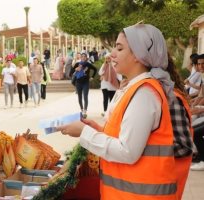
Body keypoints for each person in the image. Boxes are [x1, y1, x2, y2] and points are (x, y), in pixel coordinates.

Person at [57, 24, 178, 199]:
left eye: (119, 48)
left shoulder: (143, 93)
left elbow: (127, 151)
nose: (112, 54)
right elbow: (126, 137)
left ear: (139, 55)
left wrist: (85, 133)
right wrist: (98, 130)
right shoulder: (134, 88)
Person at [165, 53, 194, 199]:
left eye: (120, 49)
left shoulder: (171, 99)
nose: (113, 55)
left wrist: (137, 149)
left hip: (165, 185)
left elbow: (184, 147)